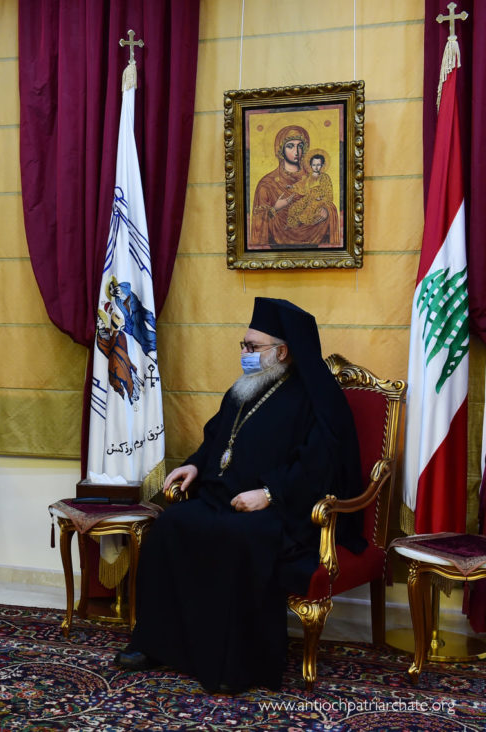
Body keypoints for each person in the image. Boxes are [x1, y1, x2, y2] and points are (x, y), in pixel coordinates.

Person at [114, 297, 364, 692]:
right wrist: (195, 464)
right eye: (243, 345)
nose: (245, 354)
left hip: (282, 512)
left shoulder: (315, 398)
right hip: (222, 497)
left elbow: (321, 465)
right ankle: (155, 644)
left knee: (238, 539)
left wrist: (269, 494)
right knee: (169, 527)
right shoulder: (245, 389)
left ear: (282, 351)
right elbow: (217, 438)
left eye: (253, 347)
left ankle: (233, 665)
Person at [250, 126, 340, 248]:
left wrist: (327, 211)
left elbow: (328, 199)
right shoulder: (267, 184)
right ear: (280, 149)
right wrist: (275, 208)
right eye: (290, 146)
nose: (296, 151)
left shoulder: (316, 177)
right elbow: (258, 224)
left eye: (300, 146)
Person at [286, 149, 334, 228]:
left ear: (322, 165)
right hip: (308, 198)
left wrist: (321, 198)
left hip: (318, 200)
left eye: (318, 165)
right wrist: (292, 187)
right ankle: (292, 226)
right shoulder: (309, 177)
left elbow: (328, 192)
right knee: (294, 208)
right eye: (314, 165)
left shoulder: (325, 177)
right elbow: (302, 185)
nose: (316, 167)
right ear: (311, 165)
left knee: (309, 212)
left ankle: (305, 227)